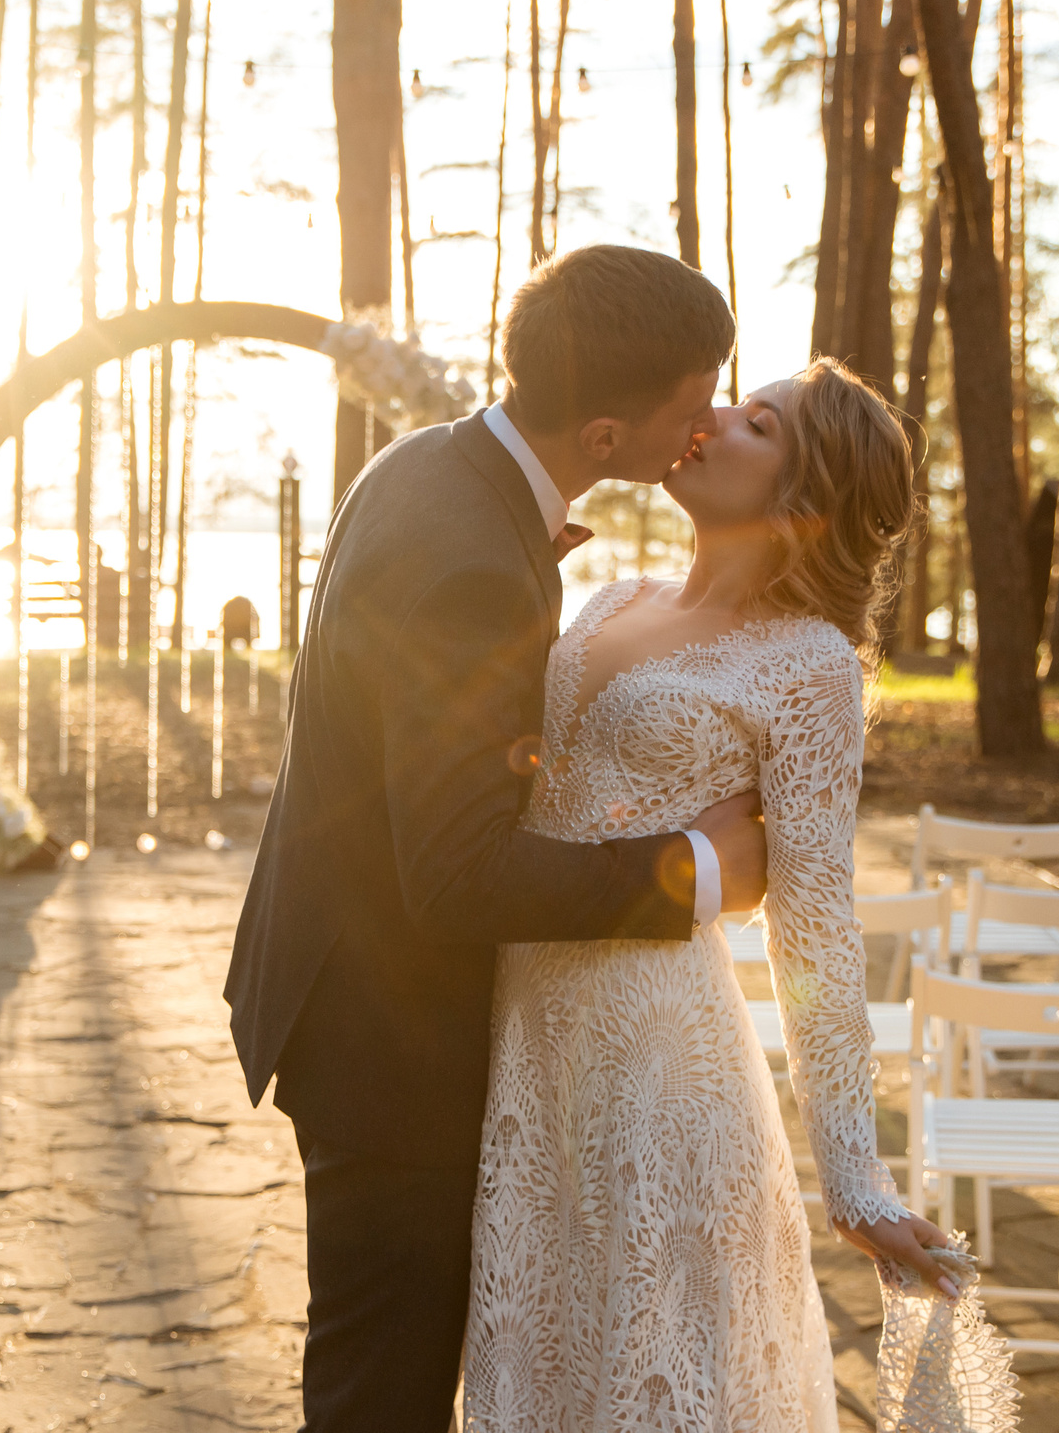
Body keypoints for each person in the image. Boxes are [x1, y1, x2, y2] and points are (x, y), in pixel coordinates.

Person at [225, 247, 779, 1432]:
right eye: (690, 407)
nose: (703, 430)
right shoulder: (470, 563)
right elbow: (457, 873)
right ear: (601, 438)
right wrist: (694, 870)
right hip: (387, 1041)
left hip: (351, 990)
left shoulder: (427, 461)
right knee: (385, 1391)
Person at [465, 359, 955, 1429]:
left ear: (806, 503)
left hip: (657, 1066)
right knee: (532, 1363)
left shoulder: (810, 665)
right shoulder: (606, 596)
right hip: (521, 1044)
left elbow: (816, 922)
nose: (711, 418)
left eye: (756, 421)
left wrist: (855, 1176)